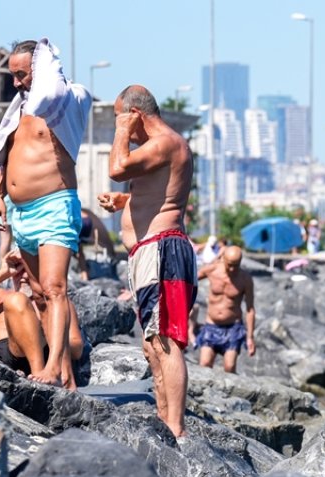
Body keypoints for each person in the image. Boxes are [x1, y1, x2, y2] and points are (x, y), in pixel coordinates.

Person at [0, 38, 91, 387]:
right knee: (39, 293)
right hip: (21, 212)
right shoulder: (19, 112)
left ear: (40, 68)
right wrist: (0, 197)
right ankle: (66, 375)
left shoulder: (65, 102)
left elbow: (51, 86)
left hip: (54, 205)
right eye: (12, 75)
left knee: (56, 288)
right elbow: (2, 158)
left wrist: (45, 57)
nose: (16, 83)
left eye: (22, 74)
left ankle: (55, 368)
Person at [97, 85, 196, 439]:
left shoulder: (166, 142)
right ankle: (164, 417)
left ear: (134, 114)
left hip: (163, 252)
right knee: (152, 343)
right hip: (149, 253)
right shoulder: (160, 150)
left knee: (165, 341)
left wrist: (121, 131)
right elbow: (159, 193)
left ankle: (176, 427)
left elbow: (118, 167)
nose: (118, 125)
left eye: (119, 118)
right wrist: (125, 201)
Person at [0, 250, 84, 390]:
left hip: (44, 354)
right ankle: (39, 377)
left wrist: (45, 335)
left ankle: (39, 375)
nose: (23, 276)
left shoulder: (56, 306)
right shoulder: (0, 296)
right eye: (18, 269)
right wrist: (2, 273)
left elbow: (76, 347)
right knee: (16, 300)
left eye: (29, 270)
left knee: (16, 300)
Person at [195, 245, 256, 373]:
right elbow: (188, 280)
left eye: (236, 265)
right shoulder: (212, 270)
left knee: (229, 367)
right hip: (211, 326)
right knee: (204, 364)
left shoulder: (245, 279)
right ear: (223, 259)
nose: (233, 269)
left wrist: (250, 337)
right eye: (230, 265)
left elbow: (250, 309)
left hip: (233, 328)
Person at [75, 208, 117, 280]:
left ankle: (84, 275)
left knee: (71, 250)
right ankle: (85, 276)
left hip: (80, 221)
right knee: (79, 251)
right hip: (86, 220)